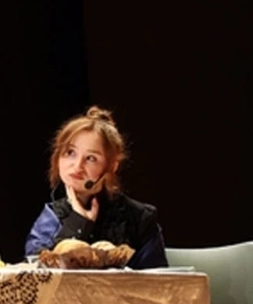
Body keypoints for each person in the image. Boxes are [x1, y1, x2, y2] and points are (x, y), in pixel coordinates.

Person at [24, 106, 167, 269]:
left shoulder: (139, 218)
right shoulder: (51, 216)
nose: (77, 166)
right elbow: (35, 272)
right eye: (70, 153)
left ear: (112, 166)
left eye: (91, 158)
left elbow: (159, 279)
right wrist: (77, 223)